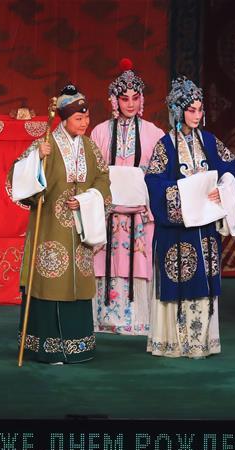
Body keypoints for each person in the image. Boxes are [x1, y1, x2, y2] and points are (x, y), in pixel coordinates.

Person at [8, 84, 112, 364]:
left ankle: (79, 347)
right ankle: (47, 347)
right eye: (78, 118)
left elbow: (103, 178)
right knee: (50, 280)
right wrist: (36, 159)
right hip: (50, 226)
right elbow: (16, 179)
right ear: (64, 120)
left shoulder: (90, 147)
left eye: (86, 117)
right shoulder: (46, 144)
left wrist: (88, 198)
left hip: (79, 227)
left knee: (78, 283)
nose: (85, 123)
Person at [145, 76, 235, 359]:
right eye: (191, 110)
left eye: (200, 109)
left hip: (205, 229)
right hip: (177, 230)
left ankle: (201, 342)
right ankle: (172, 343)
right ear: (178, 111)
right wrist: (186, 193)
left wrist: (222, 190)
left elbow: (229, 167)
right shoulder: (164, 145)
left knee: (203, 279)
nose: (197, 115)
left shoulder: (209, 141)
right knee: (178, 276)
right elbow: (154, 183)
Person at [88, 58, 165, 335]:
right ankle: (104, 319)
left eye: (135, 97)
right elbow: (93, 172)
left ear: (141, 99)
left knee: (138, 259)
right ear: (114, 100)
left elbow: (159, 174)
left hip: (140, 214)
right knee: (105, 259)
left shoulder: (154, 133)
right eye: (124, 98)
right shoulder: (99, 132)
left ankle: (139, 320)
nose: (130, 104)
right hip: (109, 212)